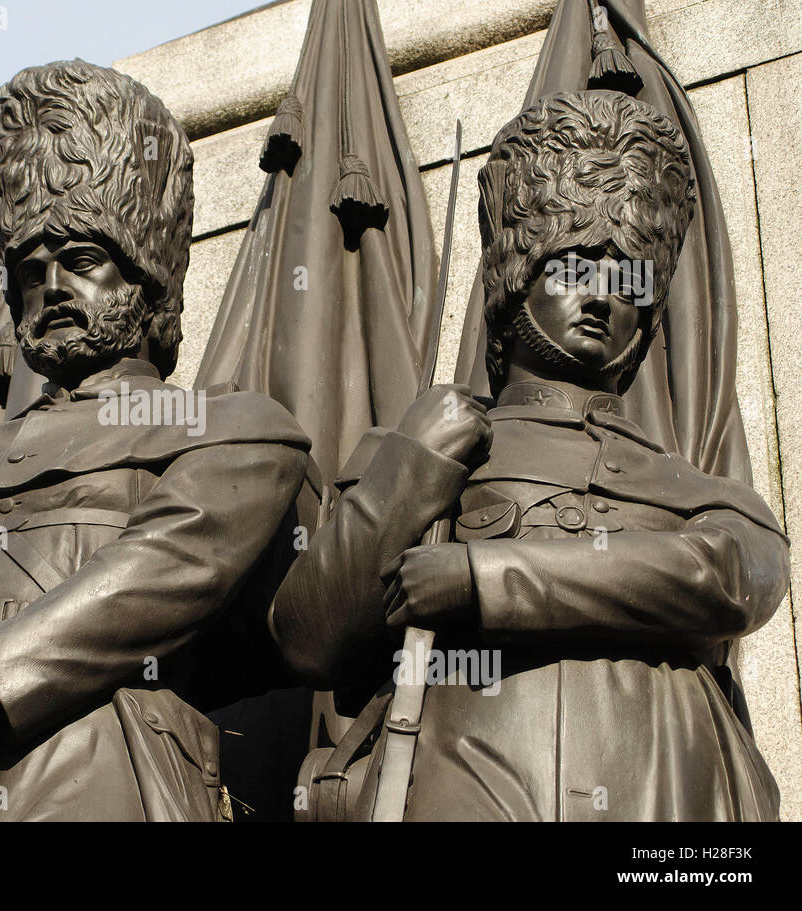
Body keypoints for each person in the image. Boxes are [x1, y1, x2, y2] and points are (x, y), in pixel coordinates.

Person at [0, 59, 311, 821]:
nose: (54, 289)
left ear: (144, 279)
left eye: (81, 261)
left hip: (99, 777)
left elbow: (158, 576)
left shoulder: (232, 429)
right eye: (31, 272)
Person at [270, 90, 788, 821]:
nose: (603, 298)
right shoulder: (411, 450)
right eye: (575, 265)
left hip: (662, 805)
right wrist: (412, 466)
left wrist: (487, 577)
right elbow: (306, 636)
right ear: (517, 276)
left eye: (628, 279)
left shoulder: (695, 488)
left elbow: (729, 577)